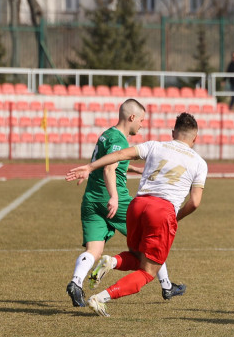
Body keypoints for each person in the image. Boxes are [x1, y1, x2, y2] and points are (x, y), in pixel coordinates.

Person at [65, 113, 207, 318]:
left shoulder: (155, 146)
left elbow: (120, 155)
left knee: (138, 256)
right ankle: (101, 297)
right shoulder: (199, 162)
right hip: (162, 210)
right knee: (148, 272)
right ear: (195, 138)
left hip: (137, 206)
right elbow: (194, 202)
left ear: (173, 132)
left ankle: (111, 262)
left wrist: (90, 166)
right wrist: (175, 217)